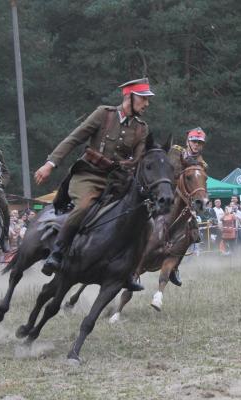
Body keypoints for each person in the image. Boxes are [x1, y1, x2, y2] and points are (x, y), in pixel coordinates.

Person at [34, 77, 154, 289]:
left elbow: (138, 159)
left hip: (117, 181)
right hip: (89, 176)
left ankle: (129, 270)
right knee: (83, 208)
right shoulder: (104, 114)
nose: (146, 104)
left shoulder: (141, 128)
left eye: (147, 100)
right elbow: (74, 138)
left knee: (144, 220)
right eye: (143, 99)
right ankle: (58, 252)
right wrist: (50, 163)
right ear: (129, 96)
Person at [166, 127, 209, 285]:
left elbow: (201, 188)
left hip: (184, 200)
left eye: (199, 143)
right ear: (187, 141)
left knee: (193, 233)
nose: (196, 145)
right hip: (165, 191)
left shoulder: (202, 164)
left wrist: (201, 201)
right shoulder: (175, 151)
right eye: (194, 141)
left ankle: (174, 267)